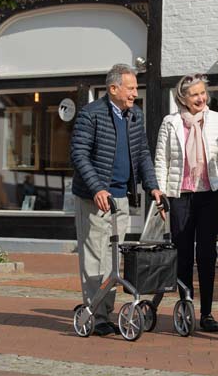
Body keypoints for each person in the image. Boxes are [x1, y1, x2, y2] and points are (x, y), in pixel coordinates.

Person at [70, 63, 162, 336]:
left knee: (112, 259)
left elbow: (143, 153)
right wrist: (98, 188)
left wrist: (153, 187)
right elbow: (79, 155)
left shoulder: (134, 116)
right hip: (94, 198)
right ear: (113, 88)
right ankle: (95, 314)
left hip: (120, 198)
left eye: (135, 88)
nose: (135, 93)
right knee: (95, 256)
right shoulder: (91, 115)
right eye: (130, 88)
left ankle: (103, 313)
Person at [154, 73, 218, 332]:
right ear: (183, 98)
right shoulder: (171, 122)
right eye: (194, 94)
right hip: (180, 196)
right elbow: (161, 161)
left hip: (210, 194)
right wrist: (162, 196)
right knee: (184, 254)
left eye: (203, 93)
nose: (200, 98)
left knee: (207, 254)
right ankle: (185, 308)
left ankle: (207, 313)